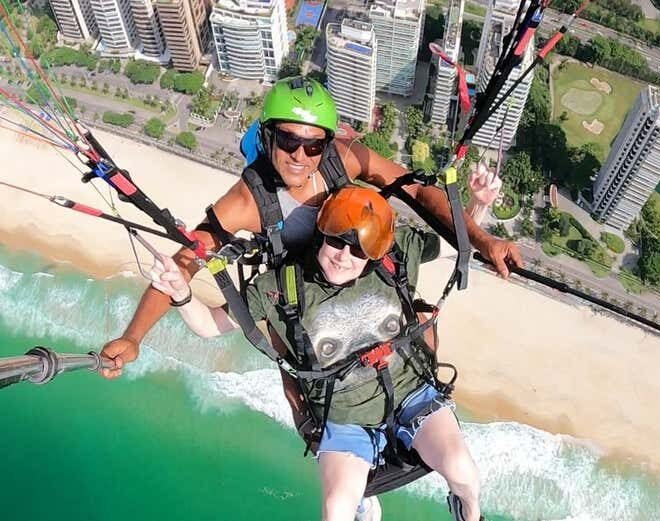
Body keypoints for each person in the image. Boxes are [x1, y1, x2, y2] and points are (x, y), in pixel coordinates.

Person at [99, 75, 521, 378]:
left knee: (423, 318)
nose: (300, 155)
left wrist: (482, 240)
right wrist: (133, 337)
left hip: (352, 264)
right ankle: (326, 438)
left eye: (313, 144)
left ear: (326, 143)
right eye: (288, 141)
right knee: (300, 358)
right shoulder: (247, 201)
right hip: (301, 286)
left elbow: (415, 190)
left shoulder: (342, 158)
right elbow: (183, 263)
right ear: (267, 138)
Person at [147, 186, 483, 521]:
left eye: (357, 251)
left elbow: (457, 247)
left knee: (462, 470)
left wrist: (477, 204)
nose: (343, 256)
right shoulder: (279, 288)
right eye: (336, 241)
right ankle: (363, 502)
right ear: (322, 233)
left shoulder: (396, 255)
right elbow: (209, 325)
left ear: (374, 254)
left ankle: (468, 513)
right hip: (345, 417)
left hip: (412, 395)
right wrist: (180, 293)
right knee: (337, 510)